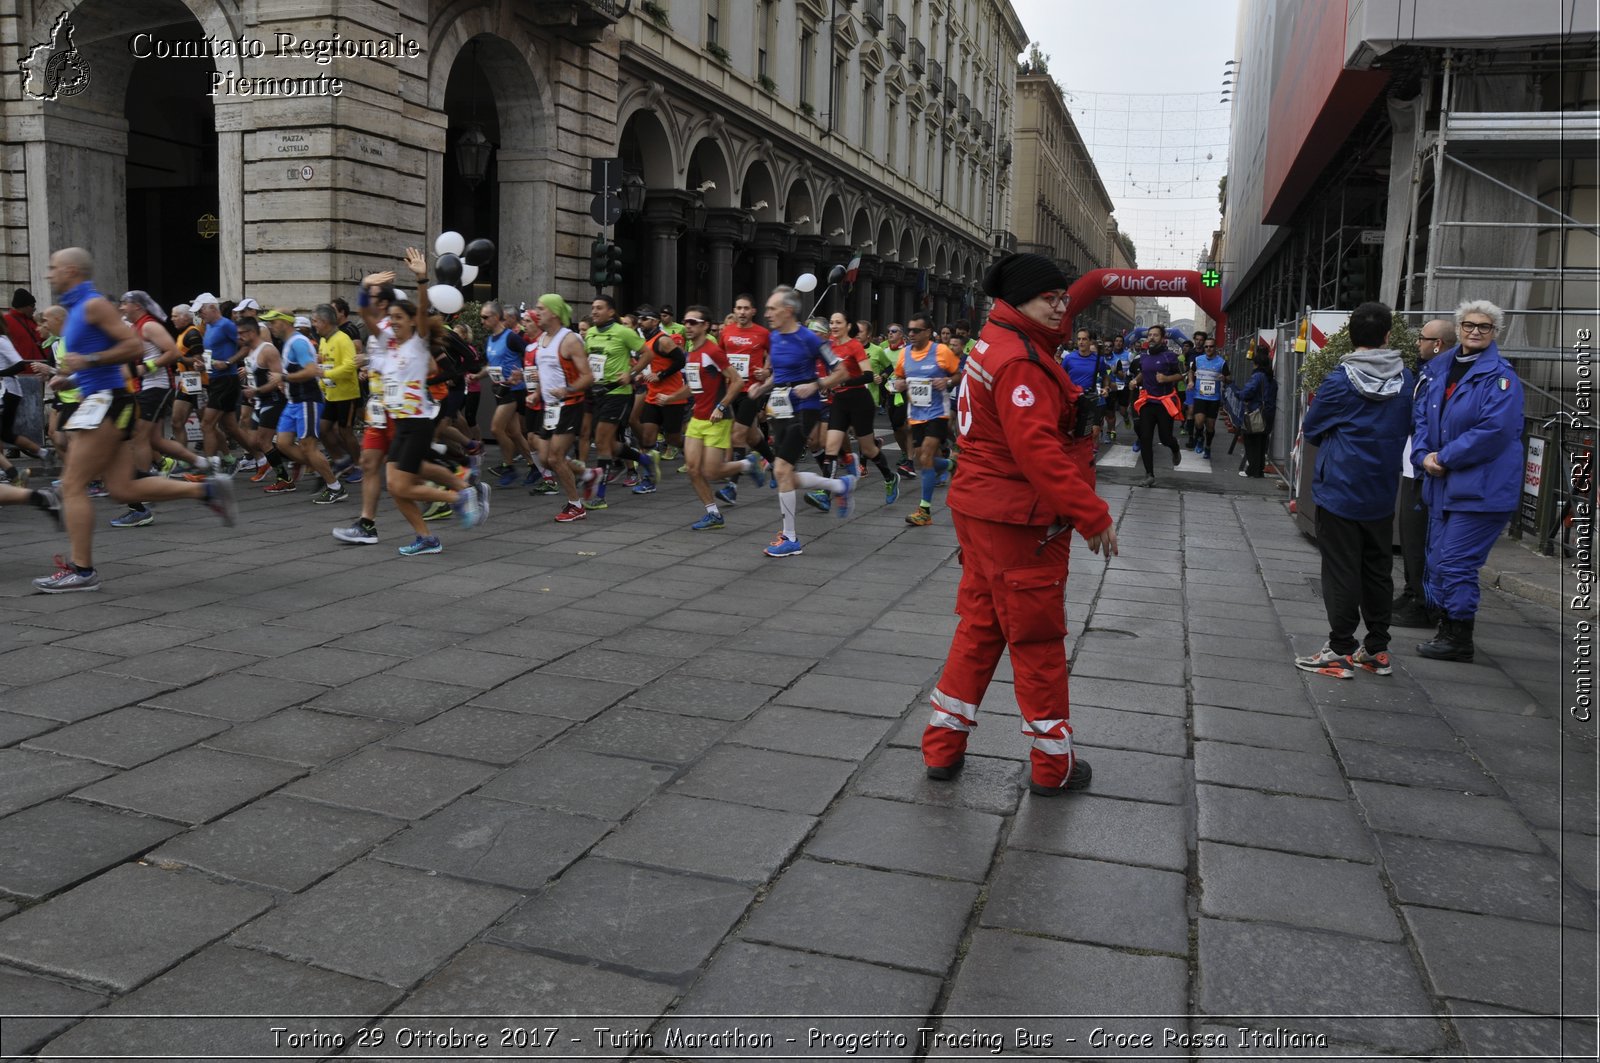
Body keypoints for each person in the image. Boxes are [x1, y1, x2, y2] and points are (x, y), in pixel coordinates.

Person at [920, 252, 1114, 796]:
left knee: (980, 627)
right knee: (1037, 640)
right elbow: (1036, 451)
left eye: (1062, 297)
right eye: (1049, 298)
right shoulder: (1021, 359)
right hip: (1020, 520)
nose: (1061, 307)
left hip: (981, 509)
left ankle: (942, 745)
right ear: (1019, 300)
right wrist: (1091, 513)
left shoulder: (994, 341)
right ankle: (1053, 766)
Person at [29, 248, 235, 593]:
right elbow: (104, 364)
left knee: (72, 485)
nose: (49, 274)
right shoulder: (78, 309)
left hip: (107, 403)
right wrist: (73, 378)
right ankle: (207, 489)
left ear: (70, 270)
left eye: (53, 268)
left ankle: (82, 570)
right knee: (123, 488)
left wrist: (87, 362)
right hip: (102, 400)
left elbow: (132, 348)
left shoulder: (94, 305)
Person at [1293, 302, 1414, 679]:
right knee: (1377, 571)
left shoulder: (1339, 381)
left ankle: (1340, 649)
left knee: (1341, 569)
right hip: (1381, 491)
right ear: (1389, 336)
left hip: (1341, 489)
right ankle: (1377, 649)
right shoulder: (1408, 380)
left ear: (1349, 335)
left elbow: (1312, 429)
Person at [1412, 300, 1524, 662]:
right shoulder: (1438, 369)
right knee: (1439, 561)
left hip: (1482, 489)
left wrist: (1444, 457)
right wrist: (1423, 456)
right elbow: (1423, 420)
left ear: (1495, 333)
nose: (1476, 331)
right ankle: (1449, 629)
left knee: (1455, 562)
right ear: (1458, 329)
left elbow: (1495, 430)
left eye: (1485, 326)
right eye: (1469, 324)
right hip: (1444, 485)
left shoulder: (1501, 376)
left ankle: (1459, 637)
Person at [357, 249, 487, 555]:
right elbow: (364, 314)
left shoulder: (417, 345)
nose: (394, 323)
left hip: (416, 425)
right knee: (398, 488)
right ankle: (427, 537)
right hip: (400, 425)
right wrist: (365, 287)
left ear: (414, 323)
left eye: (400, 318)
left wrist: (421, 278)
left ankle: (460, 498)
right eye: (392, 318)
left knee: (401, 486)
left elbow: (424, 306)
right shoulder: (388, 346)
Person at [750, 285, 854, 557]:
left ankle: (791, 538)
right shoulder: (774, 338)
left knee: (782, 470)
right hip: (781, 410)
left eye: (772, 309)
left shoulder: (810, 339)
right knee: (786, 475)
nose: (767, 313)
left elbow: (841, 372)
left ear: (788, 310)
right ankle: (838, 485)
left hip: (805, 410)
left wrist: (816, 383)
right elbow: (779, 375)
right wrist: (762, 387)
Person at [1392, 319, 1456, 628]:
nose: (1417, 343)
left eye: (1422, 338)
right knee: (1409, 533)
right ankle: (1412, 590)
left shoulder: (1442, 375)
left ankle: (1424, 601)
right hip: (1413, 462)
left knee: (1420, 536)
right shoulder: (1428, 372)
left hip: (1423, 467)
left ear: (1437, 344)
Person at [525, 293, 597, 523]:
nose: (537, 313)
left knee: (555, 457)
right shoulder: (542, 340)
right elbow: (546, 374)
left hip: (570, 405)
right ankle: (587, 474)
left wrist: (567, 390)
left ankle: (576, 505)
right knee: (545, 458)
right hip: (550, 406)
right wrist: (537, 394)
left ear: (554, 313)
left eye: (541, 308)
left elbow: (588, 377)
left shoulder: (570, 340)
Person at [892, 314, 961, 526]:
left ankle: (924, 511)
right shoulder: (904, 354)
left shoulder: (941, 351)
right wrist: (899, 384)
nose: (910, 334)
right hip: (916, 414)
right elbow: (897, 378)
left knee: (927, 457)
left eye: (916, 330)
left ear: (928, 333)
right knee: (924, 460)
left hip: (938, 413)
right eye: (909, 330)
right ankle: (952, 464)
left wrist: (947, 380)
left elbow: (959, 375)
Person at [1131, 323, 1183, 486]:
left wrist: (1167, 379)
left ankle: (1175, 448)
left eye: (1155, 335)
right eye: (1149, 335)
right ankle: (1149, 475)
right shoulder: (1143, 356)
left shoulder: (1170, 356)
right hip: (1148, 402)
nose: (1151, 338)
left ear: (1162, 338)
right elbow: (1143, 372)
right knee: (1145, 438)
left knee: (1165, 438)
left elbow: (1181, 376)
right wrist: (1135, 380)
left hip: (1164, 403)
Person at [1235, 350, 1276, 479]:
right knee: (1262, 442)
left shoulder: (1257, 377)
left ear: (1256, 364)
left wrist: (1238, 393)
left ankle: (1252, 470)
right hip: (1268, 413)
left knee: (1251, 441)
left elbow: (1247, 393)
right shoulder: (1272, 380)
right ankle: (1259, 470)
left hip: (1256, 412)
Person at [1188, 334, 1228, 458]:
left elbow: (1229, 377)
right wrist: (1190, 381)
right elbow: (1191, 371)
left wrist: (1225, 378)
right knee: (1199, 422)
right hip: (1200, 396)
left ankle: (1208, 446)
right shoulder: (1198, 360)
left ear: (1215, 348)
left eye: (1211, 347)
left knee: (1210, 426)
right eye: (1206, 347)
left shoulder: (1221, 362)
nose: (1208, 349)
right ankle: (1199, 438)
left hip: (1213, 399)